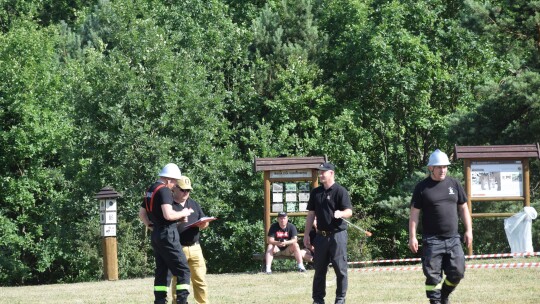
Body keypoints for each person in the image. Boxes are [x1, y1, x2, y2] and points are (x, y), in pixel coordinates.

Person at [409, 149, 473, 304]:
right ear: (431, 168)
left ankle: (444, 295)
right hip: (432, 240)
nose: (442, 170)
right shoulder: (422, 187)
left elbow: (463, 208)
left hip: (453, 239)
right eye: (439, 167)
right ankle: (436, 301)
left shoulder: (454, 184)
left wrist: (469, 230)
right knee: (433, 276)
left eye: (445, 167)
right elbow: (414, 214)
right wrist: (412, 236)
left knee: (457, 272)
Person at [138, 163, 194, 304]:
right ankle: (182, 301)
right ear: (168, 179)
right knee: (183, 270)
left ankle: (160, 301)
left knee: (162, 270)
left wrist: (151, 226)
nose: (175, 185)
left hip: (157, 234)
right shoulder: (164, 191)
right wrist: (184, 212)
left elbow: (142, 213)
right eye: (175, 182)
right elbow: (168, 215)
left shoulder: (151, 189)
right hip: (168, 234)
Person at [304, 162, 353, 304]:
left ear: (331, 173)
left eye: (323, 172)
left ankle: (340, 299)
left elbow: (349, 212)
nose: (320, 175)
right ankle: (318, 300)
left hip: (338, 236)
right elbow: (311, 215)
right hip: (321, 237)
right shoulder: (316, 193)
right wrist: (307, 234)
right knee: (319, 271)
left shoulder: (340, 191)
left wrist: (341, 213)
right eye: (319, 172)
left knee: (340, 270)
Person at [169, 176, 210, 304]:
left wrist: (204, 224)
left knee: (200, 280)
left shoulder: (193, 203)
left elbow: (203, 219)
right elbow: (164, 225)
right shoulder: (168, 205)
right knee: (178, 281)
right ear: (175, 188)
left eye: (188, 190)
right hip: (178, 248)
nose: (186, 193)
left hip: (195, 247)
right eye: (183, 190)